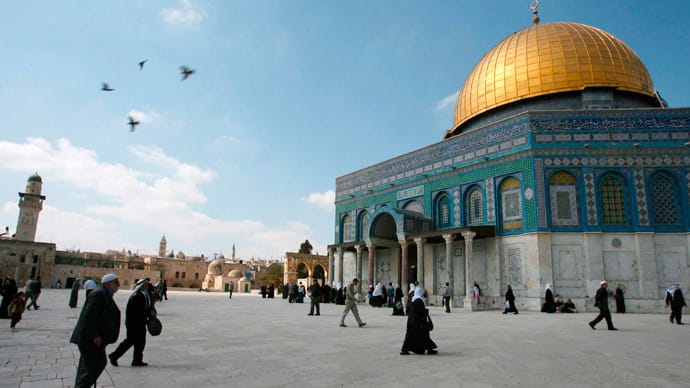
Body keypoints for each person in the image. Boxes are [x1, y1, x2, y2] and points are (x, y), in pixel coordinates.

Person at [70, 273, 121, 388]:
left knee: (87, 367)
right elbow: (88, 316)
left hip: (91, 339)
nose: (118, 285)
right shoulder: (99, 294)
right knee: (97, 365)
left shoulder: (104, 294)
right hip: (90, 339)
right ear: (108, 283)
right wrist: (95, 335)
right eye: (116, 283)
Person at [109, 278, 156, 367]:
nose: (147, 286)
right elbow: (138, 311)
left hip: (140, 322)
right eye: (145, 284)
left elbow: (145, 308)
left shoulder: (144, 294)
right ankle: (114, 356)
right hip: (134, 323)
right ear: (141, 286)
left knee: (140, 342)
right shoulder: (137, 296)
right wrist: (149, 314)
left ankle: (137, 360)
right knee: (130, 341)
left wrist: (150, 314)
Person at [400, 287, 438, 355]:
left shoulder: (413, 299)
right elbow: (421, 311)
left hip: (412, 321)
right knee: (423, 336)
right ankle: (428, 349)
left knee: (415, 336)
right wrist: (426, 311)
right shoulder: (418, 300)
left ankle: (419, 349)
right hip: (417, 323)